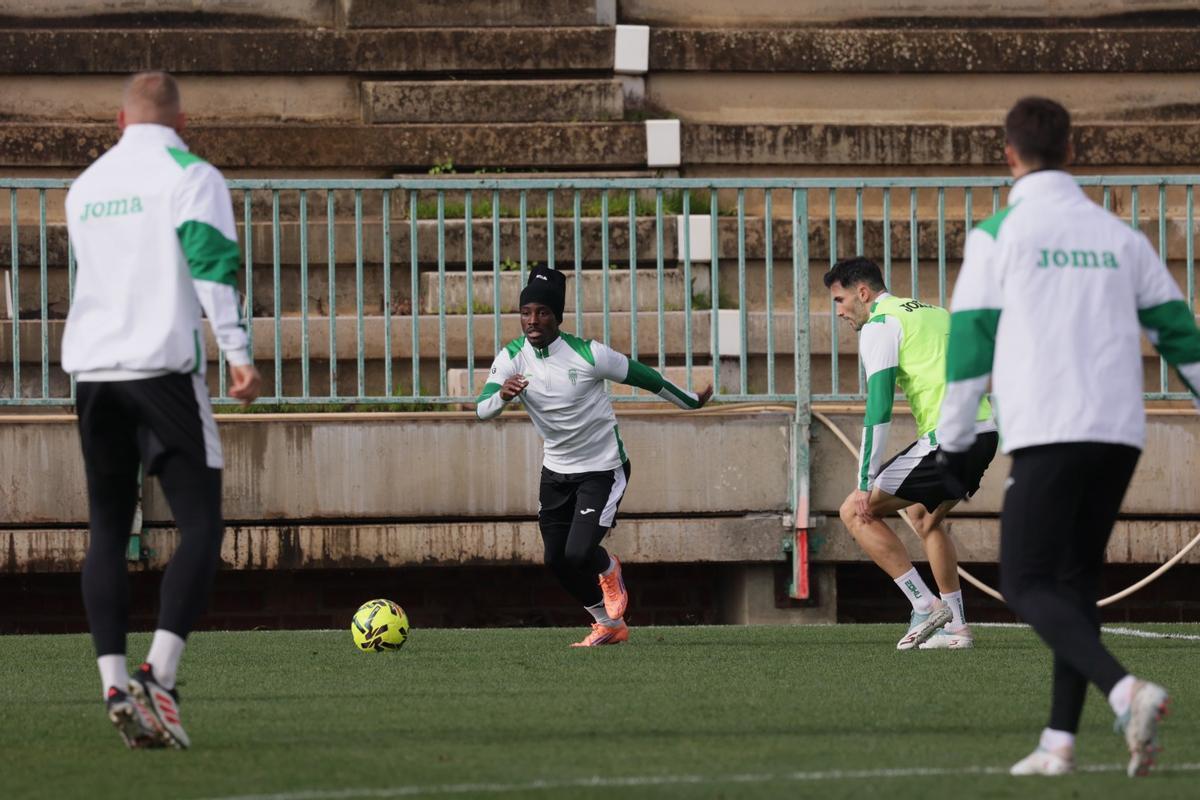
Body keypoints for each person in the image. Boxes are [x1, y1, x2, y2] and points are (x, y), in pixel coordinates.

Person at [936, 97, 1200, 777]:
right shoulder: (1121, 237)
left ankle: (1126, 690)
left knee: (1024, 582)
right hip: (1118, 433)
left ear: (1008, 154)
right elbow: (1180, 334)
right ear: (1072, 150)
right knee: (1074, 584)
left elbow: (969, 345)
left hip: (1051, 429)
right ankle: (1059, 743)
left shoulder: (998, 234)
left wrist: (954, 438)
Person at [62, 71, 261, 749]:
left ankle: (114, 684)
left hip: (92, 371)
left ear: (119, 121)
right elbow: (211, 263)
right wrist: (237, 354)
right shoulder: (192, 172)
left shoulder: (85, 186)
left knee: (107, 529)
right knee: (203, 522)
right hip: (162, 371)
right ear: (180, 122)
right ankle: (161, 674)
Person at [475, 266, 712, 646]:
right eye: (526, 313)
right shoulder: (512, 357)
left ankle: (609, 568)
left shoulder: (589, 354)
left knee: (579, 551)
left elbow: (647, 379)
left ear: (558, 316)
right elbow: (481, 409)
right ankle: (608, 625)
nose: (532, 321)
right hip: (556, 472)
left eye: (542, 312)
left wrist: (691, 402)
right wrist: (502, 396)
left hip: (602, 470)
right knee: (556, 559)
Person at [825, 258, 998, 650]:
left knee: (854, 511)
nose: (839, 311)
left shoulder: (881, 325)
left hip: (949, 438)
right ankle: (956, 628)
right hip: (986, 432)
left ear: (862, 293)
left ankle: (924, 605)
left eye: (840, 300)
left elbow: (879, 408)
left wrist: (864, 484)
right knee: (925, 518)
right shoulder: (936, 313)